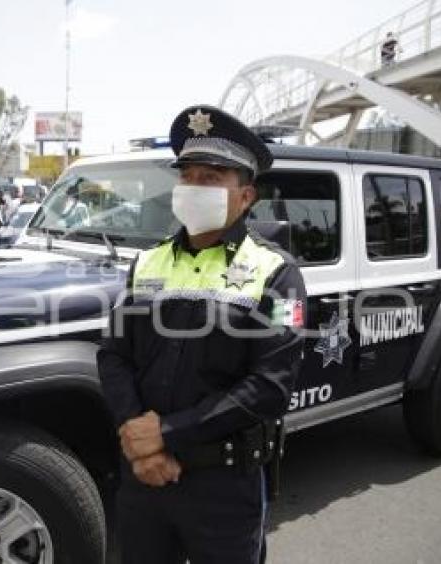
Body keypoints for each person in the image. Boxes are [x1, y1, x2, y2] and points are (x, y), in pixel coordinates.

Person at [97, 105, 307, 564]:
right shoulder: (146, 264)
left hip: (223, 487)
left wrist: (167, 433)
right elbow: (113, 355)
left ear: (246, 196)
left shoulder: (276, 273)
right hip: (143, 480)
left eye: (211, 178)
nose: (194, 187)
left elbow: (271, 386)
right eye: (187, 176)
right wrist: (141, 443)